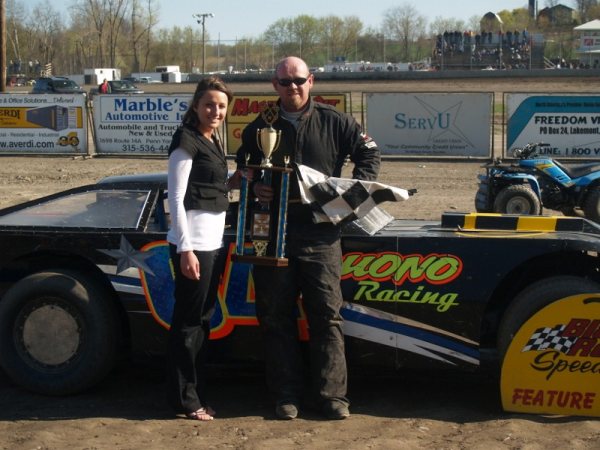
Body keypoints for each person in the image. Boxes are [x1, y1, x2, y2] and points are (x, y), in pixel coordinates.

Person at [236, 56, 380, 420]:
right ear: (274, 85)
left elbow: (370, 153)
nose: (293, 87)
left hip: (321, 234)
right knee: (275, 318)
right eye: (285, 82)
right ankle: (285, 396)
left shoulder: (335, 121)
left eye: (299, 80)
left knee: (327, 316)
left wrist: (351, 194)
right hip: (273, 234)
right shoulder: (259, 127)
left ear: (311, 81)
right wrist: (257, 188)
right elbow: (244, 170)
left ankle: (332, 397)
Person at [166, 76, 239, 421]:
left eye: (222, 106)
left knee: (203, 321)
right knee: (188, 323)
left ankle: (195, 394)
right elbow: (176, 197)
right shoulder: (186, 140)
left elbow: (212, 186)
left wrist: (235, 181)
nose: (216, 111)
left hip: (212, 245)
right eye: (209, 104)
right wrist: (185, 249)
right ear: (196, 105)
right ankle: (185, 400)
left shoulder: (212, 140)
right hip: (193, 245)